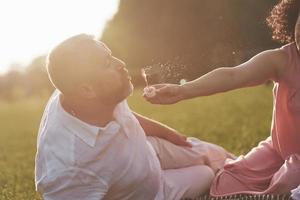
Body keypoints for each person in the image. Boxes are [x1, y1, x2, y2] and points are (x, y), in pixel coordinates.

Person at [34, 34, 233, 200]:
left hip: (148, 147)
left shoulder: (92, 91)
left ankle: (251, 168)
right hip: (156, 191)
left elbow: (124, 114)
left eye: (111, 55)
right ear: (86, 90)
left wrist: (169, 134)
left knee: (211, 153)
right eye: (107, 63)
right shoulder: (69, 169)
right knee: (206, 175)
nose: (121, 64)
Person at [145, 0, 300, 196]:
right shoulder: (282, 59)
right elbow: (233, 75)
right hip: (277, 152)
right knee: (226, 181)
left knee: (289, 183)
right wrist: (183, 90)